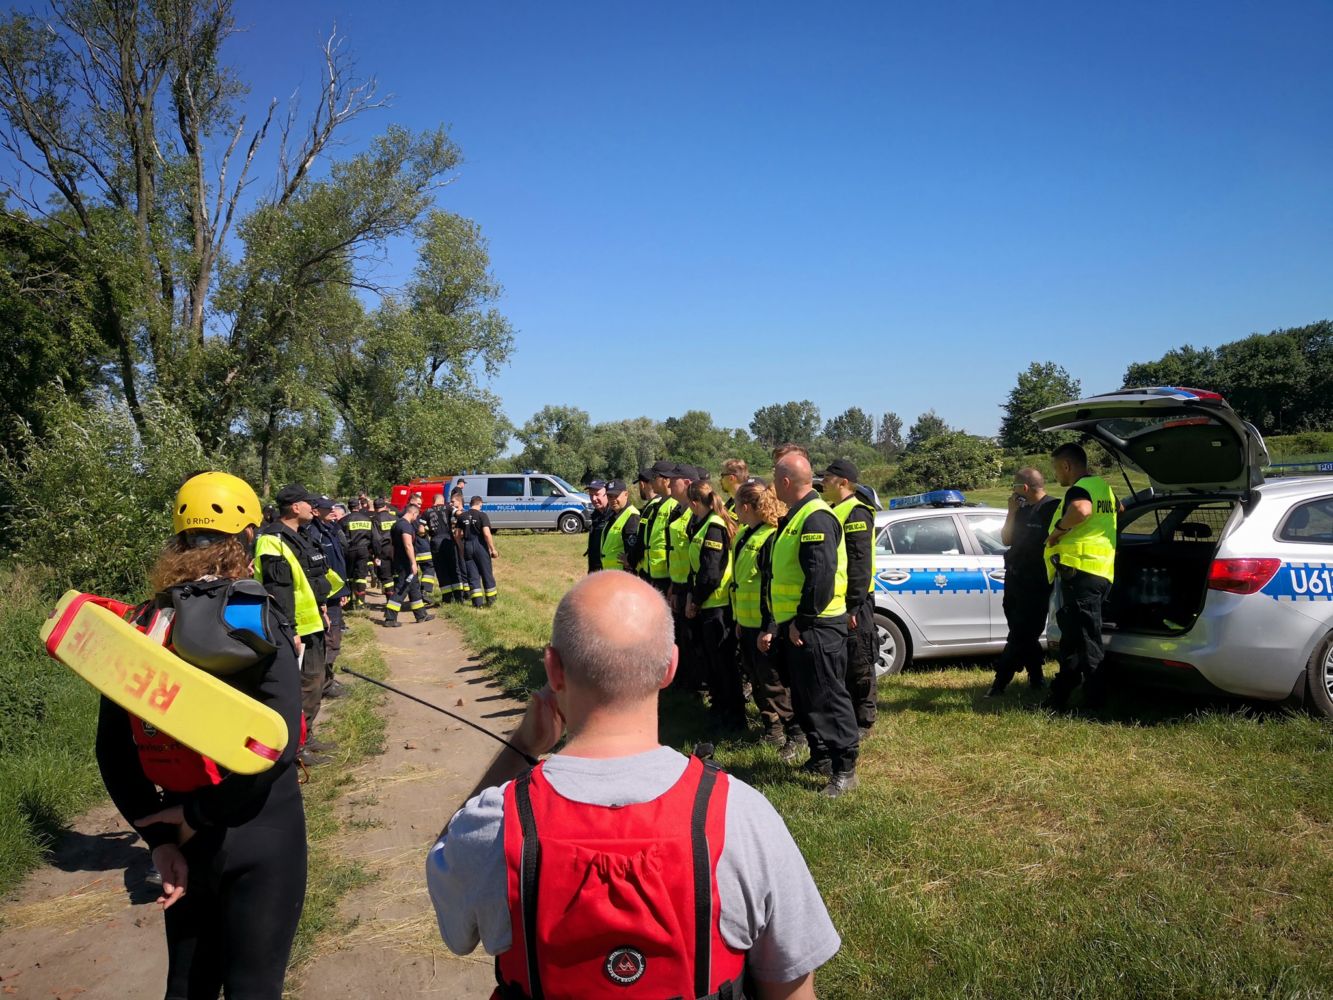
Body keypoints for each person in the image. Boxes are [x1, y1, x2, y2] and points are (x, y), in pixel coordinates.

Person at [425, 572, 841, 999]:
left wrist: (521, 747)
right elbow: (791, 988)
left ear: (553, 669)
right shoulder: (742, 816)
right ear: (671, 667)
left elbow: (452, 918)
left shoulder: (495, 824)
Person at [97, 471, 306, 999]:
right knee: (253, 988)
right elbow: (278, 746)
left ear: (180, 540)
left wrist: (163, 837)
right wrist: (203, 814)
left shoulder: (142, 624)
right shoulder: (258, 616)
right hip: (264, 828)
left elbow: (113, 752)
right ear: (248, 538)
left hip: (183, 836)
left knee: (187, 986)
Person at [765, 453, 860, 797]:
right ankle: (821, 755)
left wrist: (801, 623)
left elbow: (819, 578)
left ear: (786, 482)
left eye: (775, 479)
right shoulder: (796, 515)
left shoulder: (816, 517)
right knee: (806, 697)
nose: (773, 485)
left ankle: (844, 767)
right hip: (800, 624)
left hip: (818, 625)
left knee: (828, 696)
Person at [255, 483, 336, 762]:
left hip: (311, 621)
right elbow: (278, 590)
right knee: (302, 685)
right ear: (294, 507)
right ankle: (295, 749)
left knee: (314, 681)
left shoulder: (300, 536)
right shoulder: (273, 540)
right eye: (307, 503)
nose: (313, 508)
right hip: (294, 627)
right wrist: (290, 630)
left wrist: (323, 607)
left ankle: (307, 736)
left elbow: (310, 579)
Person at [1044, 443, 1118, 710]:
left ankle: (1096, 704)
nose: (1056, 475)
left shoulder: (1079, 490)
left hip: (1082, 572)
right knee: (1073, 641)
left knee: (1087, 641)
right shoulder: (1103, 488)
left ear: (1067, 466)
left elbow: (1082, 510)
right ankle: (1059, 700)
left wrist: (1058, 531)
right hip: (1099, 572)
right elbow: (1117, 510)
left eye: (1056, 469)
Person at [732, 479, 803, 755]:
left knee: (775, 684)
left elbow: (768, 586)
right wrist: (739, 619)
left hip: (765, 626)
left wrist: (769, 626)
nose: (735, 511)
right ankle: (772, 729)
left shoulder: (770, 536)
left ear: (747, 506)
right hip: (747, 622)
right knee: (758, 680)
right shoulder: (745, 533)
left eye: (737, 506)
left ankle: (796, 733)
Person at [819, 460, 880, 740]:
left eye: (828, 478)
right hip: (842, 598)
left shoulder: (855, 513)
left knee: (860, 659)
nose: (823, 483)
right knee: (847, 659)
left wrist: (854, 604)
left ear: (843, 482)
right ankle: (851, 713)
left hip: (856, 601)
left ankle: (865, 719)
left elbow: (859, 561)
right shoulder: (835, 510)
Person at [986, 468, 1061, 697]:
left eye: (1014, 486)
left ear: (1025, 488)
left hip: (1037, 580)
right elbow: (1007, 539)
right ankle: (1037, 677)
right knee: (1021, 631)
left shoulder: (1053, 508)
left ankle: (1000, 682)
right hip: (1014, 578)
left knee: (1021, 633)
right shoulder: (1020, 510)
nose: (1013, 491)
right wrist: (1011, 512)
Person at [685, 479, 745, 732]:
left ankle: (733, 716)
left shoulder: (714, 527)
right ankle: (721, 708)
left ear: (694, 503)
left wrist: (695, 602)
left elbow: (711, 573)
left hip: (718, 606)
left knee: (724, 665)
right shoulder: (705, 524)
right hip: (709, 604)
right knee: (714, 663)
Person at [665, 465, 701, 691]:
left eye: (673, 480)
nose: (669, 484)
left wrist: (688, 592)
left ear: (687, 483)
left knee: (693, 641)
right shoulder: (679, 510)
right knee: (682, 639)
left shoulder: (696, 515)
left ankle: (697, 687)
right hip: (677, 585)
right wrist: (672, 585)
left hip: (691, 589)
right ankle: (684, 683)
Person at [310, 497, 350, 700]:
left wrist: (343, 590)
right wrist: (323, 598)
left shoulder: (329, 529)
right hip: (325, 595)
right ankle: (325, 685)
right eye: (327, 509)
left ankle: (328, 679)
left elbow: (338, 561)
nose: (333, 511)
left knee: (334, 637)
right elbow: (320, 569)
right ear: (316, 511)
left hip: (335, 592)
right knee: (328, 639)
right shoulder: (313, 533)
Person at [384, 502, 436, 628]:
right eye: (416, 516)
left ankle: (421, 615)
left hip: (400, 560)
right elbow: (408, 545)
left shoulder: (396, 524)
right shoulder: (405, 526)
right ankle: (390, 618)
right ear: (413, 513)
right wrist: (413, 563)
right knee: (402, 588)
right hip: (405, 563)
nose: (416, 519)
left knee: (414, 588)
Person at [456, 495, 500, 607]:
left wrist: (462, 548)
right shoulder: (482, 515)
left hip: (467, 545)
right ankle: (491, 600)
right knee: (486, 573)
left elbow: (456, 535)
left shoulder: (462, 516)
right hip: (480, 545)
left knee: (473, 576)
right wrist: (493, 549)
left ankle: (477, 603)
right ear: (480, 503)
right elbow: (486, 533)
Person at [642, 460, 678, 594]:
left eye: (654, 478)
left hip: (667, 576)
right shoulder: (658, 504)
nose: (650, 482)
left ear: (666, 480)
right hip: (652, 572)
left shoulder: (675, 505)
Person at [425, 494, 463, 604]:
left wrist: (429, 530)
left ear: (434, 501)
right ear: (443, 500)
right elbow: (459, 514)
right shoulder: (448, 508)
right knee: (453, 567)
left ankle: (447, 598)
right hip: (448, 540)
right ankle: (458, 597)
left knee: (441, 570)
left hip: (435, 541)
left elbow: (421, 529)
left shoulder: (426, 512)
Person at [339, 498, 376, 609]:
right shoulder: (367, 519)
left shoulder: (343, 520)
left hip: (349, 550)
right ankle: (360, 603)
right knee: (361, 576)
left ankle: (349, 602)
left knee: (349, 576)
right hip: (364, 550)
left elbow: (339, 538)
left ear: (348, 507)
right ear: (359, 506)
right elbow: (373, 536)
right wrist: (374, 551)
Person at [598, 479, 640, 571]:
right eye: (609, 496)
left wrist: (631, 561)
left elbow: (633, 547)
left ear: (626, 494)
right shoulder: (613, 514)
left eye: (616, 496)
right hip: (611, 573)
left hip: (623, 574)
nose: (613, 500)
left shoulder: (631, 516)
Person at [625, 468, 659, 580]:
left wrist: (630, 560)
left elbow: (641, 541)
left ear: (642, 484)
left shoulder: (651, 508)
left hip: (651, 572)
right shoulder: (664, 504)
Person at [372, 498, 399, 597]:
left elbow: (376, 539)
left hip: (384, 550)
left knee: (386, 576)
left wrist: (377, 555)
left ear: (375, 508)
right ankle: (398, 597)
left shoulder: (375, 519)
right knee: (396, 573)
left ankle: (390, 599)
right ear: (385, 507)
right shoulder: (395, 518)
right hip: (396, 549)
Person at [583, 479, 609, 574]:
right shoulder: (596, 515)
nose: (593, 499)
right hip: (595, 570)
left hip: (609, 572)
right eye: (591, 495)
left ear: (607, 494)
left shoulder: (614, 516)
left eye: (597, 494)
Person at [719, 458, 748, 526]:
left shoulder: (746, 504)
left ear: (731, 478)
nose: (720, 480)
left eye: (722, 476)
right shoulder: (730, 503)